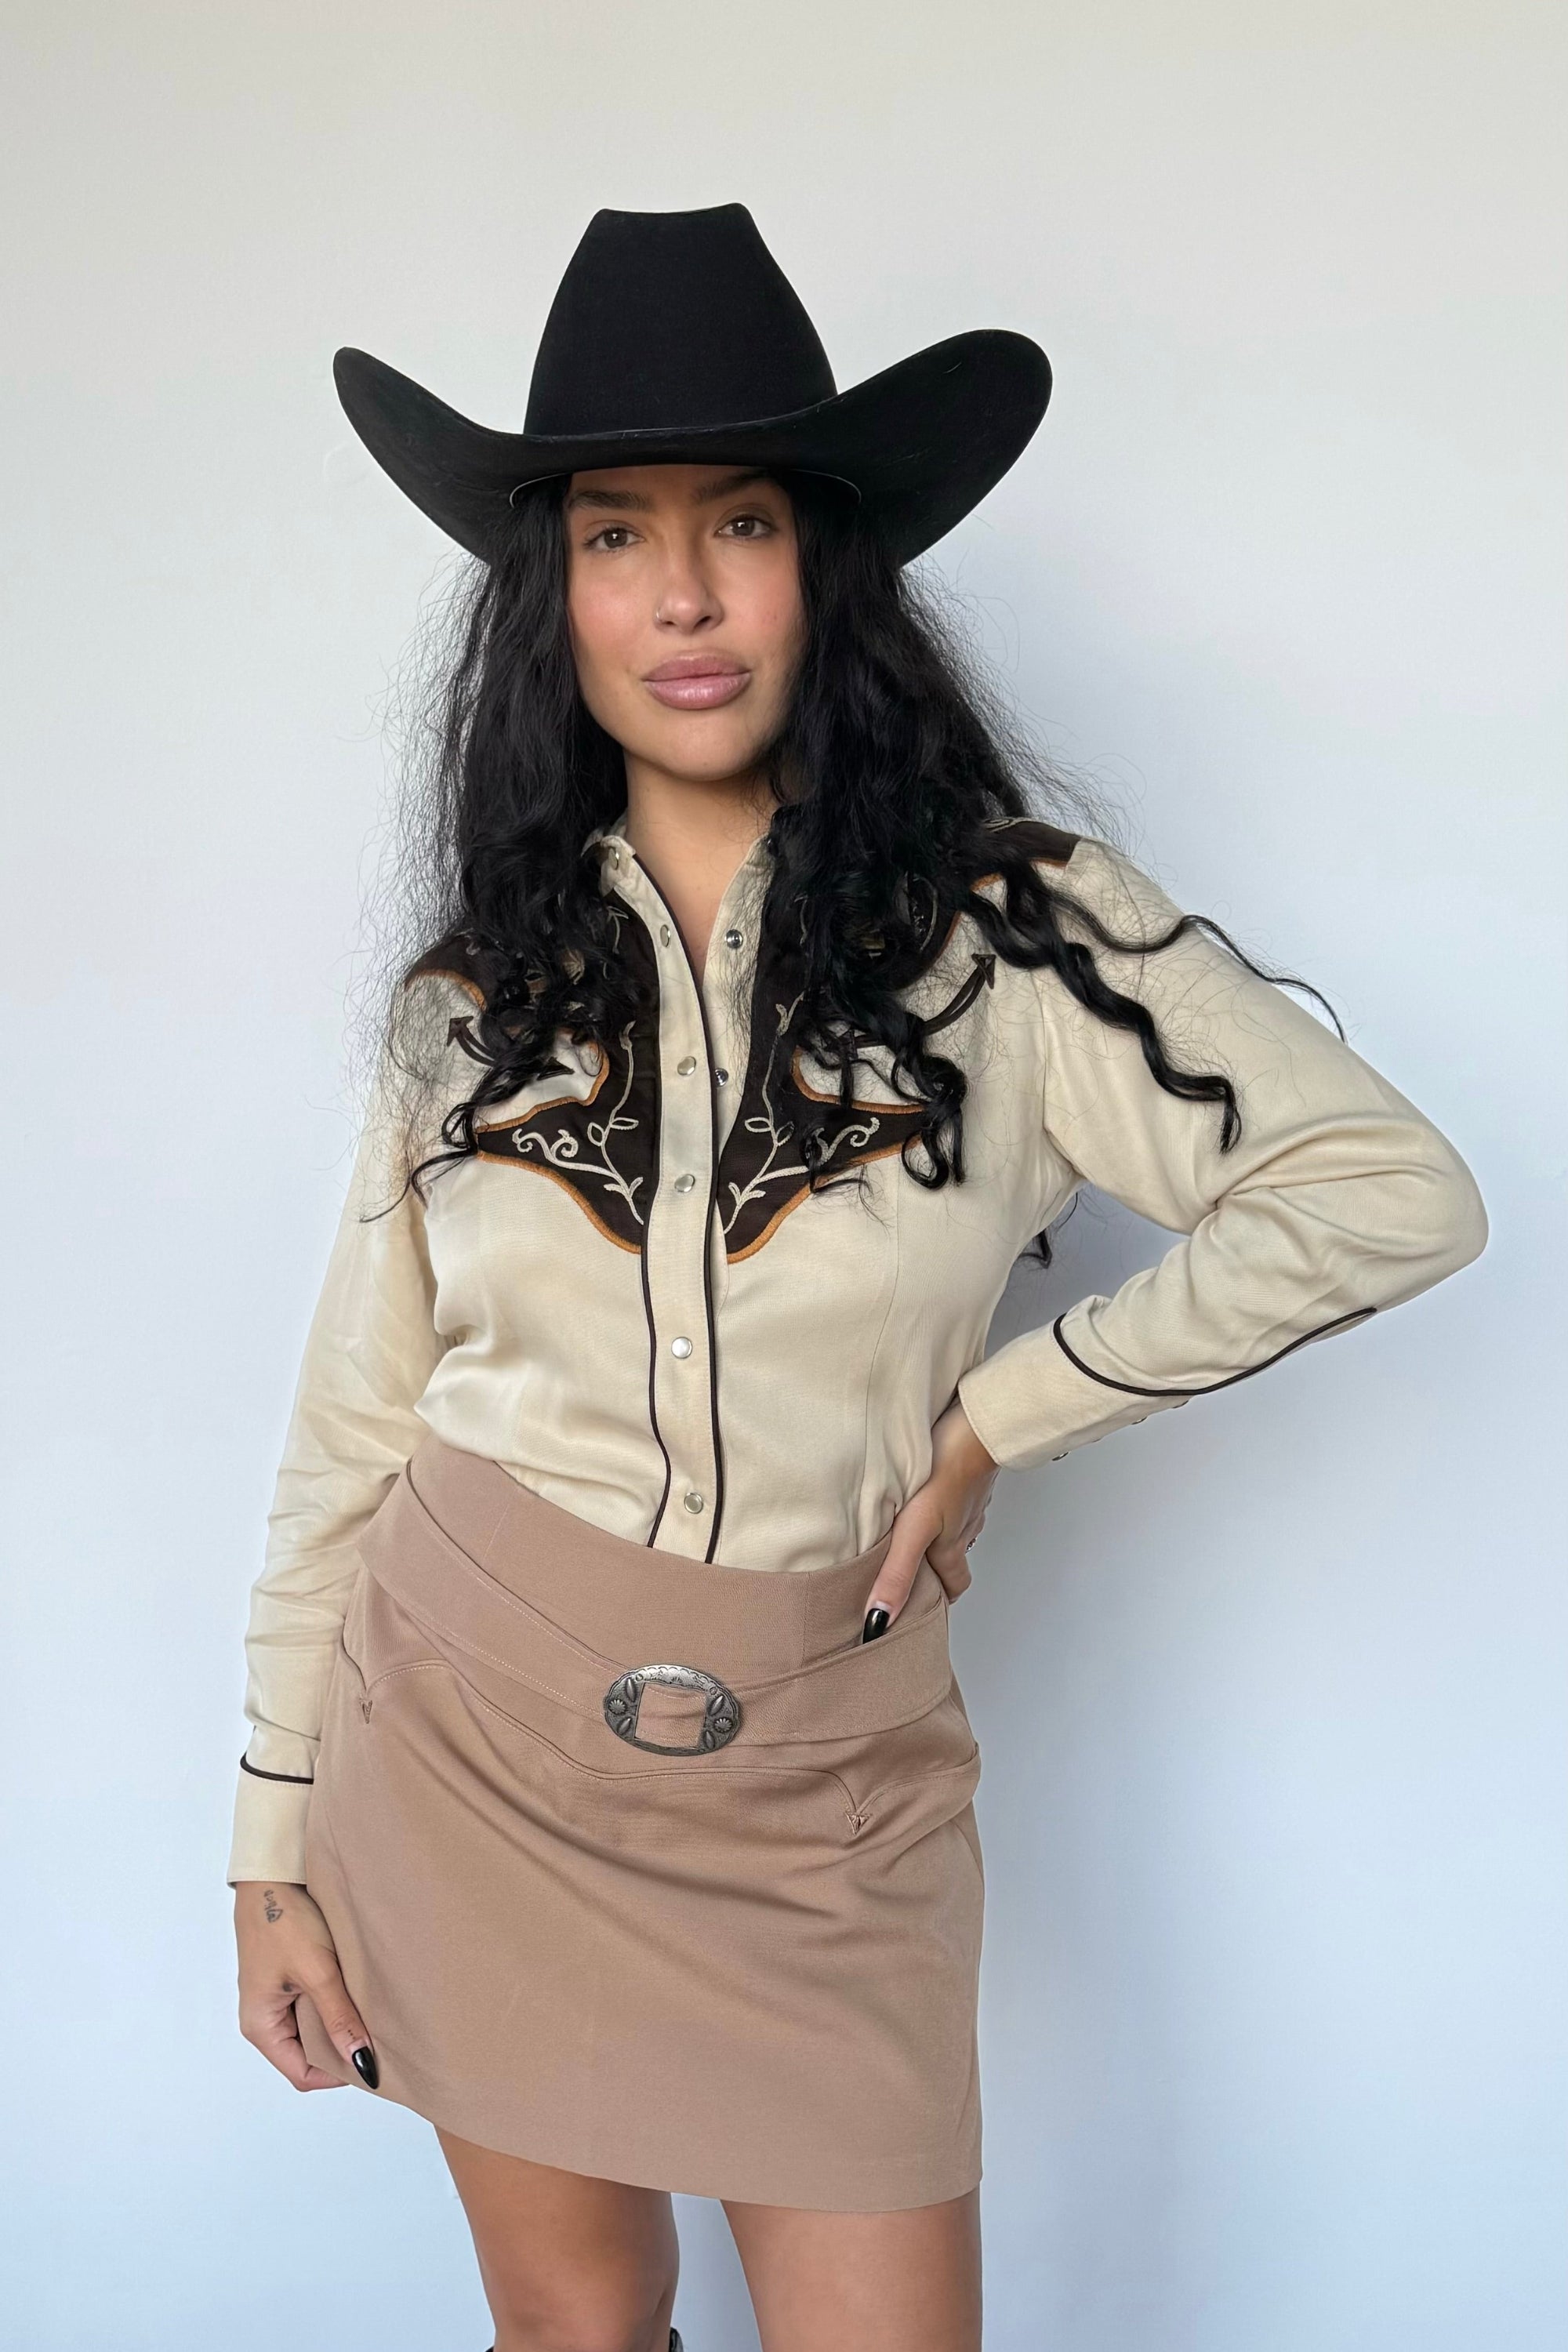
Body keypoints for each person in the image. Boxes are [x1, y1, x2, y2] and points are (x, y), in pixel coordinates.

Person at [228, 204, 1487, 2352]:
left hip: (828, 1793)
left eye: (741, 526)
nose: (686, 594)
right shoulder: (471, 1002)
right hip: (468, 1745)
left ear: (828, 567)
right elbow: (360, 1417)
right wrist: (268, 1836)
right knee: (580, 2330)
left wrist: (1015, 1406)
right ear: (558, 593)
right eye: (617, 535)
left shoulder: (1016, 938)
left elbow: (1385, 1189)